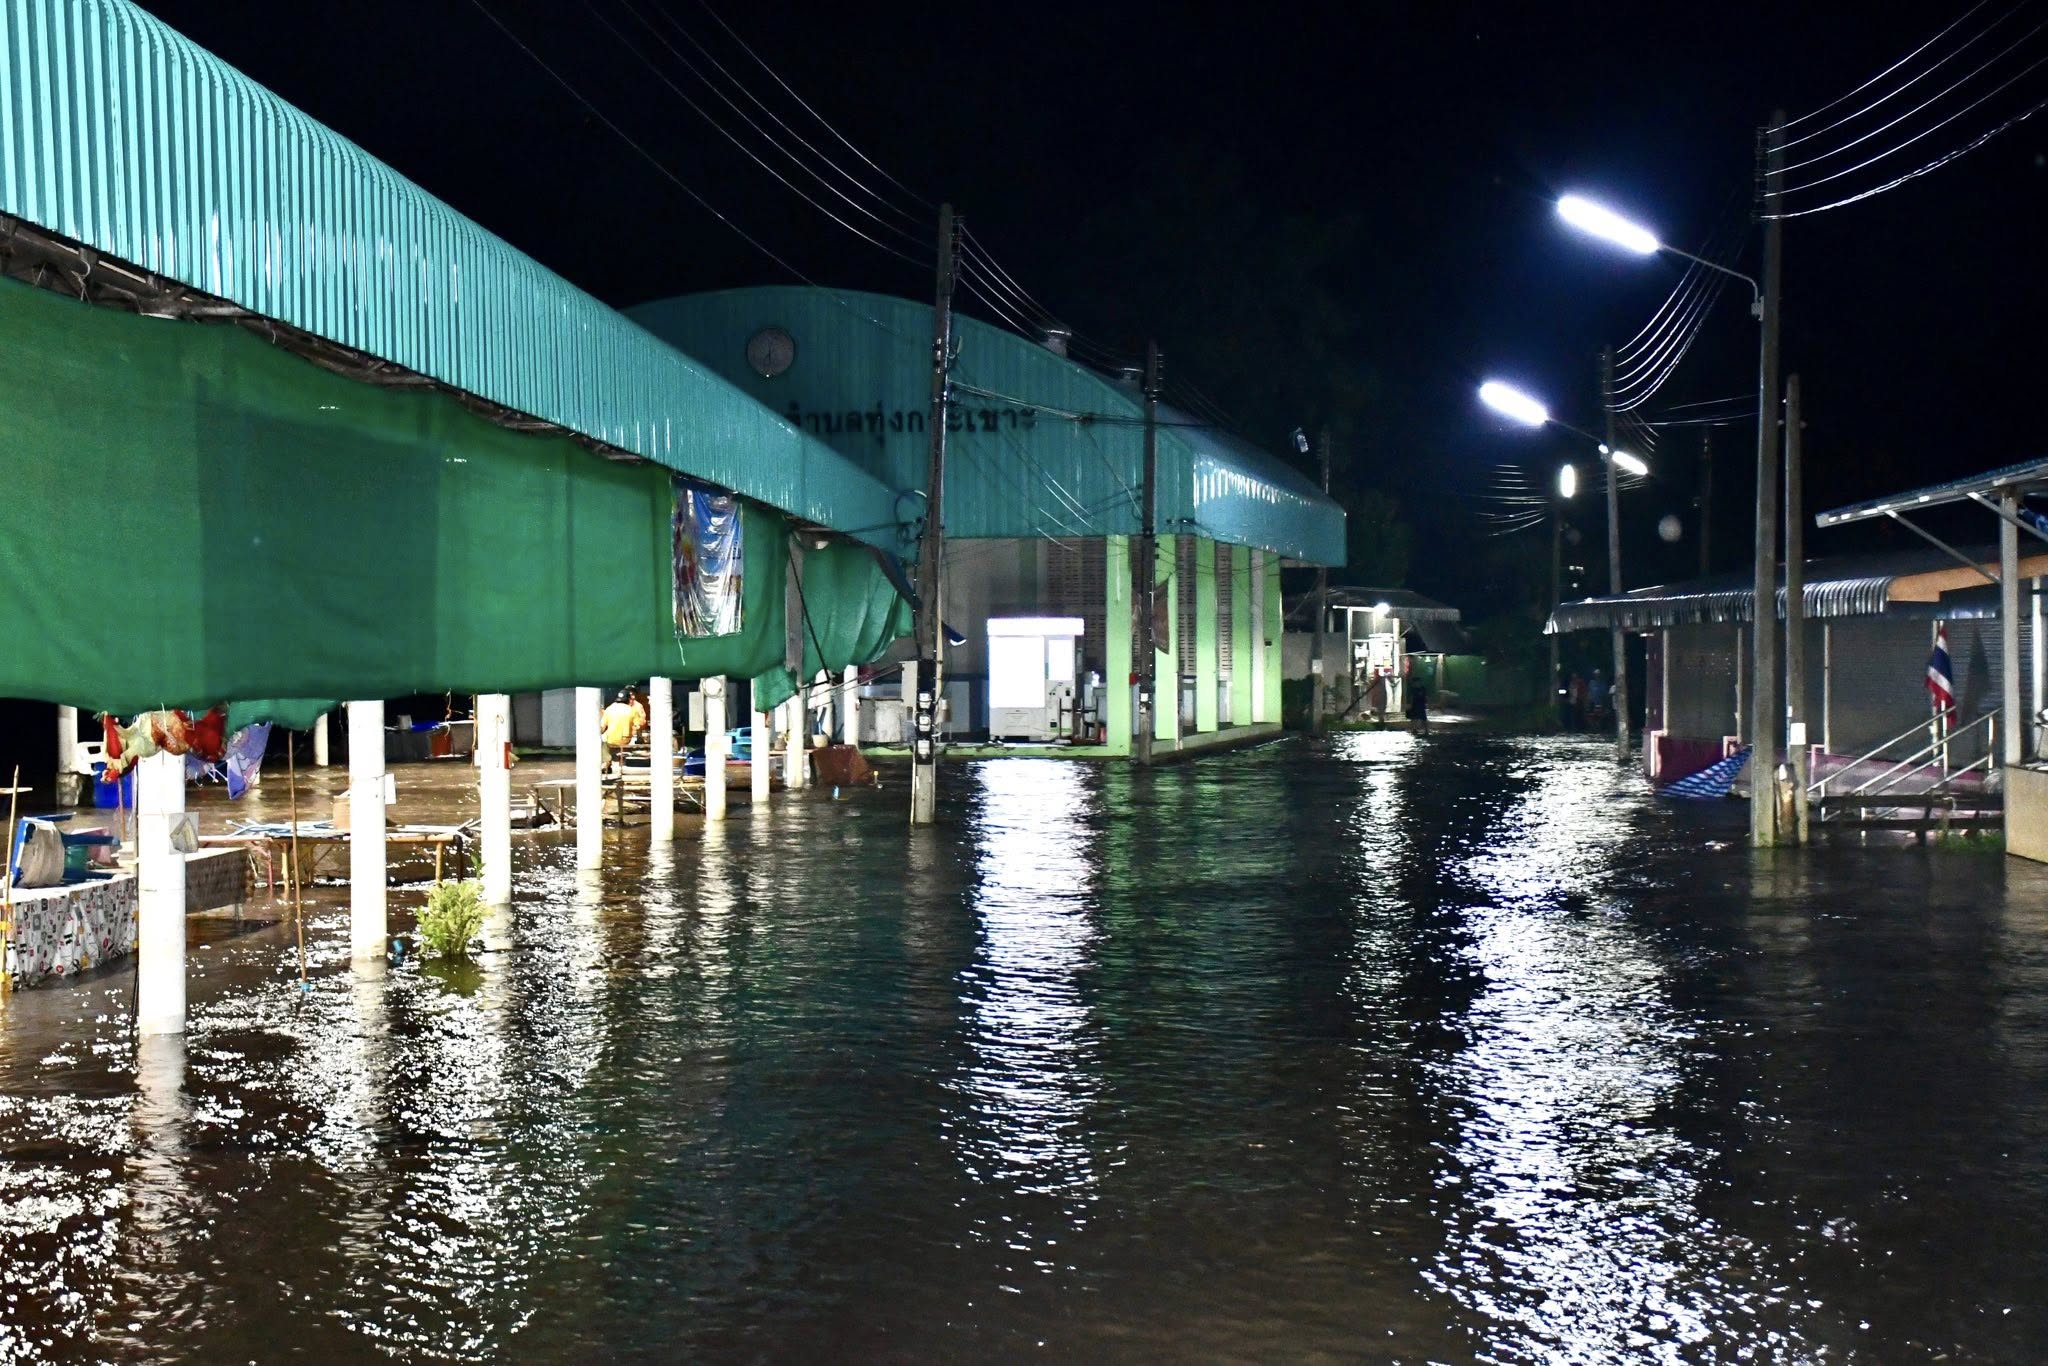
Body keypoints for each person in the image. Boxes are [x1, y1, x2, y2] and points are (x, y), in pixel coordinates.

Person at [600, 688, 647, 771]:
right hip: (626, 739)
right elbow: (639, 724)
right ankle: (608, 762)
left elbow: (602, 726)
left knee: (602, 739)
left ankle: (606, 762)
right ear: (628, 699)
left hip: (611, 739)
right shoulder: (632, 710)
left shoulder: (609, 709)